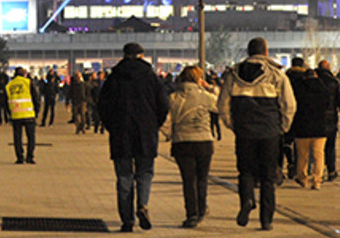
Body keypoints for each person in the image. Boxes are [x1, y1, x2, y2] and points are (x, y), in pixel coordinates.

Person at [217, 37, 296, 231]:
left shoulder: (233, 74)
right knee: (268, 177)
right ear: (266, 52)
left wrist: (232, 124)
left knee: (245, 171)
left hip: (244, 131)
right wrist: (282, 127)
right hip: (269, 131)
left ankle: (247, 200)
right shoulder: (276, 75)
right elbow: (289, 105)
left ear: (248, 52)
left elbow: (222, 104)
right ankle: (266, 219)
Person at [98, 42, 169, 232]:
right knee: (145, 173)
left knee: (124, 176)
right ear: (141, 55)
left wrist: (112, 126)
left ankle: (127, 220)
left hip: (121, 134)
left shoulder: (114, 78)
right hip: (146, 133)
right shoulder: (151, 77)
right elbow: (163, 104)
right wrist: (155, 124)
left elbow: (102, 106)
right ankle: (142, 205)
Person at [163, 65, 217, 228]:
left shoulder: (173, 98)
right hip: (204, 142)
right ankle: (201, 209)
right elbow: (221, 104)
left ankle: (191, 214)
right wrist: (211, 88)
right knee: (202, 178)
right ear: (197, 79)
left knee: (188, 180)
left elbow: (164, 120)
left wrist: (171, 134)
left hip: (182, 142)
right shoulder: (206, 96)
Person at [291, 67, 330, 190]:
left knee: (302, 155)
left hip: (302, 126)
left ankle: (303, 178)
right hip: (320, 127)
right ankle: (317, 180)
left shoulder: (298, 90)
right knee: (319, 155)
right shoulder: (324, 89)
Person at [316, 60, 340, 181]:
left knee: (318, 148)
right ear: (328, 68)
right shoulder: (334, 82)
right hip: (330, 118)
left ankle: (319, 170)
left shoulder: (314, 80)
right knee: (330, 146)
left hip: (316, 118)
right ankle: (331, 170)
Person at [5, 66, 39, 164]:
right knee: (31, 137)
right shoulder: (28, 82)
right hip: (29, 114)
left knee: (17, 138)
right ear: (24, 74)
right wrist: (36, 112)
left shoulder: (9, 85)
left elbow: (6, 102)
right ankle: (30, 157)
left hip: (15, 115)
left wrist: (9, 114)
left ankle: (19, 157)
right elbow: (36, 98)